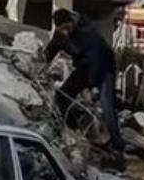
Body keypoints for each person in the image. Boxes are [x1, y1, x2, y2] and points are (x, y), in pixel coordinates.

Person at [46, 9, 124, 156]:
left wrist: (92, 85)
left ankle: (117, 144)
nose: (66, 32)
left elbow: (95, 60)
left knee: (107, 105)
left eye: (67, 27)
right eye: (62, 29)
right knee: (62, 95)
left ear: (71, 22)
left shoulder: (87, 32)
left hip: (104, 68)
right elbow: (52, 49)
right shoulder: (61, 34)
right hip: (83, 66)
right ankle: (71, 129)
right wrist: (42, 61)